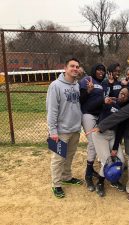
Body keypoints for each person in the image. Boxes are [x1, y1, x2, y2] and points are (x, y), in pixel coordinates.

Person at [46, 58, 83, 198]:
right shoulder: (56, 86)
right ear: (65, 68)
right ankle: (56, 184)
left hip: (74, 129)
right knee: (58, 158)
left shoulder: (77, 85)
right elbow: (52, 110)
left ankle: (67, 177)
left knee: (69, 155)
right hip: (61, 131)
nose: (75, 69)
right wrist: (52, 131)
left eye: (77, 67)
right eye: (72, 66)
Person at [92, 87, 129, 197]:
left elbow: (120, 131)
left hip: (113, 136)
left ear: (128, 98)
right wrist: (104, 102)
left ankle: (114, 180)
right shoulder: (110, 102)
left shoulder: (126, 111)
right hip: (100, 135)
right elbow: (95, 108)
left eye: (125, 95)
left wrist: (115, 148)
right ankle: (100, 182)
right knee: (107, 161)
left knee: (121, 160)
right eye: (121, 93)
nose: (122, 95)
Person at [79, 63, 109, 192]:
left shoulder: (104, 83)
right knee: (92, 143)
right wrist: (88, 91)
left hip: (100, 116)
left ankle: (91, 170)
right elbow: (80, 99)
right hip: (88, 115)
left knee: (97, 143)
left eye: (103, 70)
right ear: (94, 70)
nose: (101, 72)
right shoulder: (87, 80)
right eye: (98, 70)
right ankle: (88, 175)